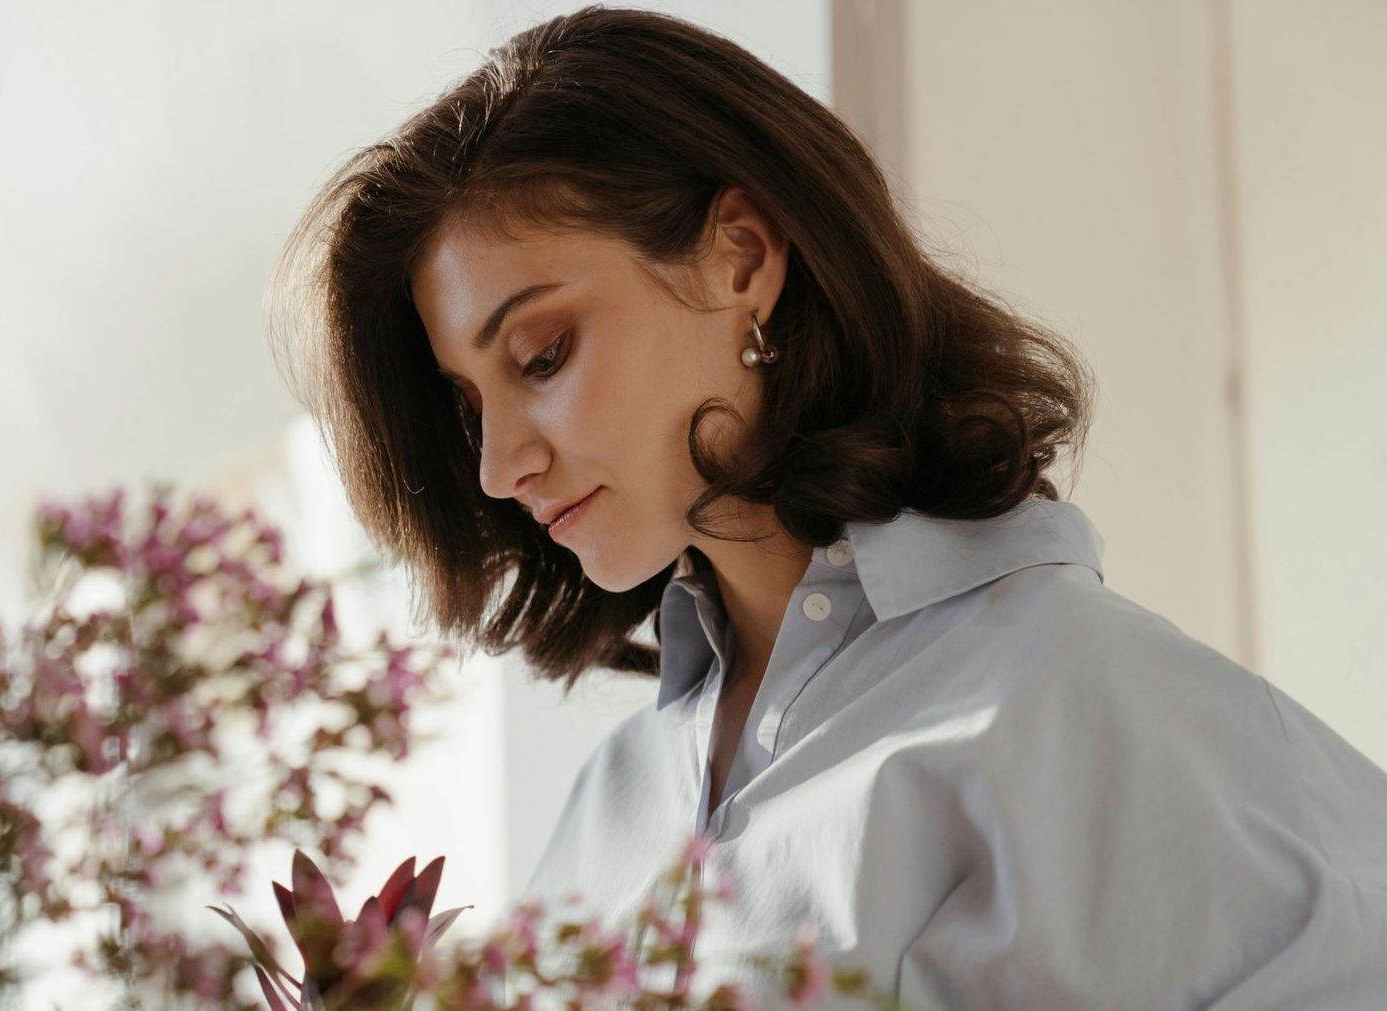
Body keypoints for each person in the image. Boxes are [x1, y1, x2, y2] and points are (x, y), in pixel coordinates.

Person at [267, 4, 1387, 1007]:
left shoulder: (1078, 699)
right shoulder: (612, 807)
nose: (497, 466)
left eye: (542, 353)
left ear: (741, 258)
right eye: (466, 409)